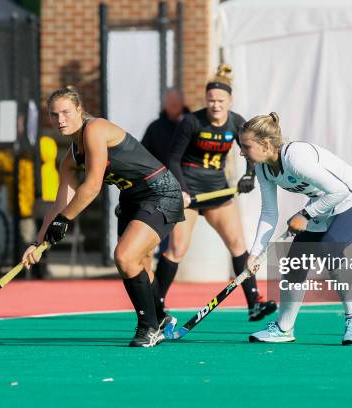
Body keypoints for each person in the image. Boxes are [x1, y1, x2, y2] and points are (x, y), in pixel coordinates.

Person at [21, 86, 184, 347]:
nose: (60, 120)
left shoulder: (95, 129)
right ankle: (162, 319)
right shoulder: (70, 159)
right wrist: (37, 243)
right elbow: (59, 204)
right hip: (131, 199)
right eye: (54, 115)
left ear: (79, 110)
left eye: (65, 112)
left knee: (125, 256)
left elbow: (93, 186)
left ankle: (148, 327)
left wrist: (65, 220)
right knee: (138, 263)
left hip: (159, 191)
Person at [240, 112, 352, 345]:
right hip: (324, 205)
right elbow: (269, 212)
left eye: (246, 146)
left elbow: (340, 191)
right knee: (295, 263)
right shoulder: (263, 169)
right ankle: (283, 329)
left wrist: (306, 214)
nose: (241, 152)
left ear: (266, 145)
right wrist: (255, 253)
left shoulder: (295, 158)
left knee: (330, 248)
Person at [156, 64, 277, 323]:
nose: (215, 105)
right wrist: (183, 191)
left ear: (229, 101)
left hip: (218, 191)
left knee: (238, 246)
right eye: (211, 100)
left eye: (221, 101)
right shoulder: (191, 122)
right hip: (189, 193)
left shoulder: (236, 121)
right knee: (177, 248)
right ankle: (156, 306)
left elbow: (250, 150)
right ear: (205, 100)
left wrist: (249, 175)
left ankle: (254, 303)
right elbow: (173, 159)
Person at [140, 88, 190, 257]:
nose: (174, 105)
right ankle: (161, 257)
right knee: (164, 225)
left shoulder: (191, 123)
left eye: (176, 101)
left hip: (189, 183)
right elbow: (144, 154)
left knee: (181, 236)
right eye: (170, 102)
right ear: (164, 104)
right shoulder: (156, 128)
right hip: (163, 185)